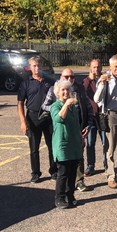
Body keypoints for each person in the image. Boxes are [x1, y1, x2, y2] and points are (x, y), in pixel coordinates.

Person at [42, 68, 94, 192]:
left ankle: (79, 181)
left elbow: (88, 107)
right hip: (61, 129)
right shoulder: (54, 90)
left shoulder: (79, 88)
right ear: (61, 77)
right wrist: (60, 107)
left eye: (72, 77)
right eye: (66, 77)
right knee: (64, 162)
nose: (70, 79)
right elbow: (45, 106)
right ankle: (62, 189)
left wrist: (88, 125)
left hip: (78, 127)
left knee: (78, 156)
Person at [93, 55, 117, 189]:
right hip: (111, 115)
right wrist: (102, 83)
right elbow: (97, 99)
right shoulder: (105, 79)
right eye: (115, 66)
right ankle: (110, 176)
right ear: (110, 66)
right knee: (110, 148)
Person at [17, 56, 57, 183]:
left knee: (52, 146)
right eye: (34, 66)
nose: (37, 68)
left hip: (48, 116)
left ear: (42, 66)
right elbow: (20, 103)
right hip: (33, 118)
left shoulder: (49, 81)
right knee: (34, 148)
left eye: (38, 65)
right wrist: (23, 121)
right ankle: (35, 173)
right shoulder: (26, 83)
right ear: (30, 67)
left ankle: (54, 170)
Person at [50, 80, 83, 209]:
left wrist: (81, 138)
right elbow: (59, 118)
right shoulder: (55, 106)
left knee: (73, 172)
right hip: (62, 144)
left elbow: (76, 124)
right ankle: (59, 198)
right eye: (63, 90)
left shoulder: (73, 107)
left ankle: (70, 195)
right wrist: (66, 104)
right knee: (63, 173)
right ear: (58, 92)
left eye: (67, 90)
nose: (65, 92)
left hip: (74, 143)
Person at [83, 59, 108, 176]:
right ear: (90, 68)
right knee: (90, 142)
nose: (96, 69)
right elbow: (83, 91)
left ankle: (107, 164)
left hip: (103, 115)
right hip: (91, 116)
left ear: (101, 67)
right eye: (93, 67)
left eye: (98, 67)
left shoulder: (105, 79)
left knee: (105, 142)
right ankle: (90, 165)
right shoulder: (87, 81)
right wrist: (89, 79)